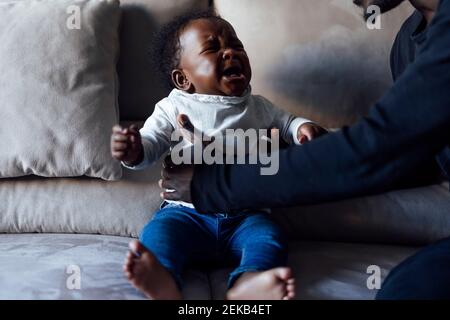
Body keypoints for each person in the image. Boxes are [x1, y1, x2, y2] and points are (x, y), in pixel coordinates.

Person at [160, 0, 450, 299]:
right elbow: (410, 155)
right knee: (404, 288)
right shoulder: (409, 41)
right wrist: (320, 156)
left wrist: (212, 184)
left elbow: (378, 149)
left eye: (236, 45)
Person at [110, 11, 327, 300]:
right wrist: (134, 149)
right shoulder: (173, 107)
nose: (229, 53)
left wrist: (303, 129)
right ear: (183, 79)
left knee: (268, 240)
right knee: (159, 236)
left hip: (247, 216)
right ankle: (164, 281)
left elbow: (287, 123)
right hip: (186, 214)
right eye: (212, 49)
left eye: (236, 46)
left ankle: (249, 284)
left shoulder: (258, 106)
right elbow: (151, 145)